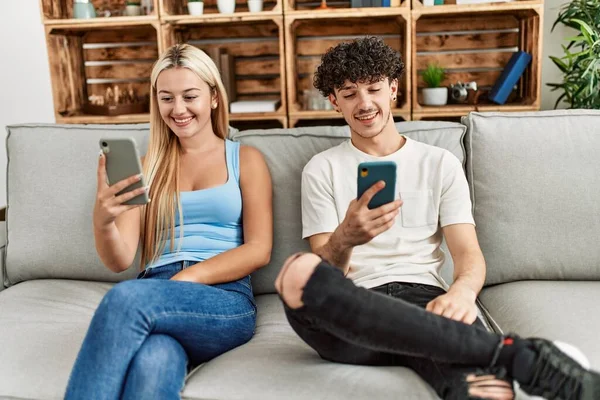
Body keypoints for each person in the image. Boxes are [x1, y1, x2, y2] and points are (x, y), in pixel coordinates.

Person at [275, 36, 599, 400]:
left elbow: (468, 253)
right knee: (301, 275)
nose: (364, 103)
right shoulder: (321, 169)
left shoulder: (439, 162)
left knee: (477, 386)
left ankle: (487, 369)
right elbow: (323, 272)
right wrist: (345, 238)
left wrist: (461, 293)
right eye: (349, 93)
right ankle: (518, 357)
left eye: (373, 89)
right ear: (334, 101)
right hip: (351, 304)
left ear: (392, 89)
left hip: (423, 300)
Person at [65, 43, 273, 399]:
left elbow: (259, 249)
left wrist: (188, 278)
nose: (178, 109)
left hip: (223, 299)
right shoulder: (147, 167)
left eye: (189, 96)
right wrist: (102, 222)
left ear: (213, 98)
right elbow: (121, 259)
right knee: (155, 358)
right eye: (166, 98)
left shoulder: (246, 159)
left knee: (124, 300)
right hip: (158, 290)